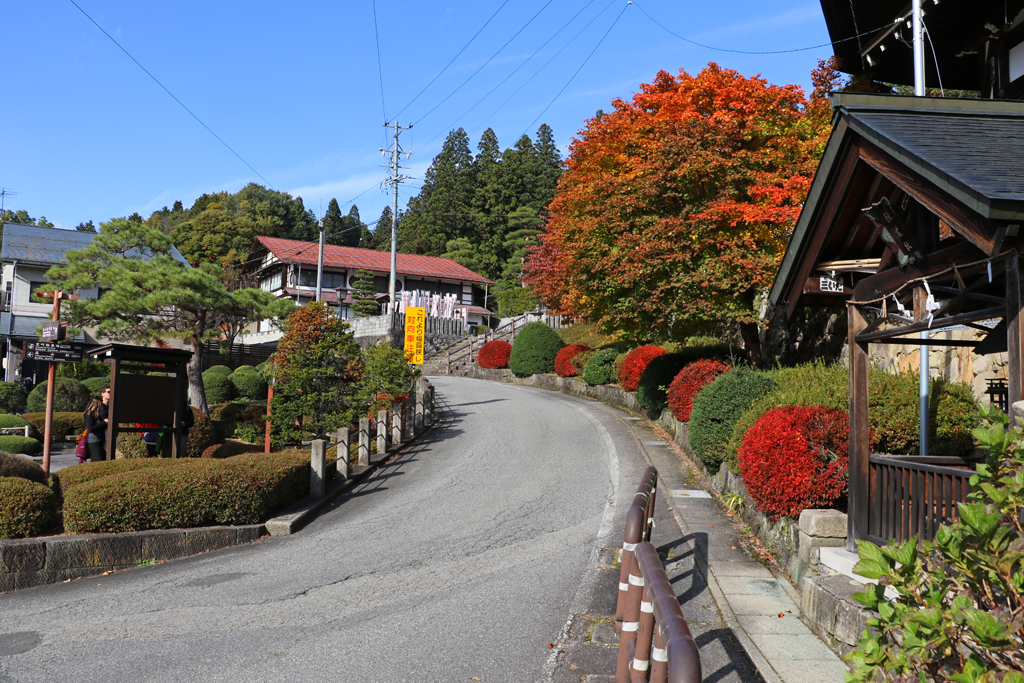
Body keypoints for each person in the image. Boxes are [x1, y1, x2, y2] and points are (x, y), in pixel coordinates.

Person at [83, 387, 110, 462]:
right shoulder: (89, 414)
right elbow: (91, 429)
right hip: (93, 441)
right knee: (99, 460)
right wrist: (104, 423)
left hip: (100, 439)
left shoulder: (97, 415)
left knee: (97, 460)